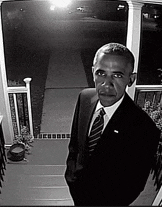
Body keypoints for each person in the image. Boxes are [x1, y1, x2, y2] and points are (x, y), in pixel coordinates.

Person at [64, 42, 160, 206]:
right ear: (93, 72)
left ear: (131, 79)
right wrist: (71, 177)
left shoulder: (145, 129)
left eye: (117, 75)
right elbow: (75, 146)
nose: (106, 83)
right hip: (77, 192)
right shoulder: (85, 98)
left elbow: (134, 186)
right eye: (101, 73)